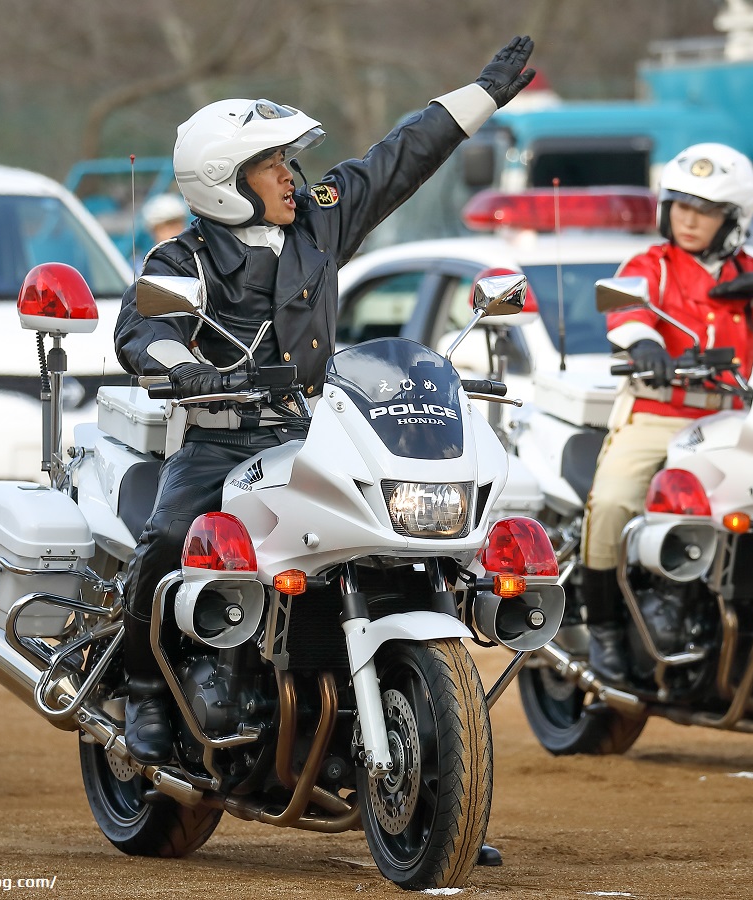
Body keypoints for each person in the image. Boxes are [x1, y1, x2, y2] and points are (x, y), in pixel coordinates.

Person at [114, 39, 536, 775]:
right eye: (273, 165)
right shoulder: (181, 262)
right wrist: (182, 369)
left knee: (400, 550)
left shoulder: (319, 223)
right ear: (224, 182)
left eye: (289, 161)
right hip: (224, 441)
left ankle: (437, 773)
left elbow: (401, 156)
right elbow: (143, 331)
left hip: (314, 436)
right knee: (169, 540)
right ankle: (146, 692)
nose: (292, 175)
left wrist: (482, 96)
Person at [580, 142, 753, 682]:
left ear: (735, 219)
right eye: (680, 206)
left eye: (703, 210)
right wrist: (642, 345)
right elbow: (623, 306)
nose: (688, 219)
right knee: (610, 503)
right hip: (656, 415)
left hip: (731, 423)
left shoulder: (751, 274)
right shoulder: (650, 266)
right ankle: (605, 632)